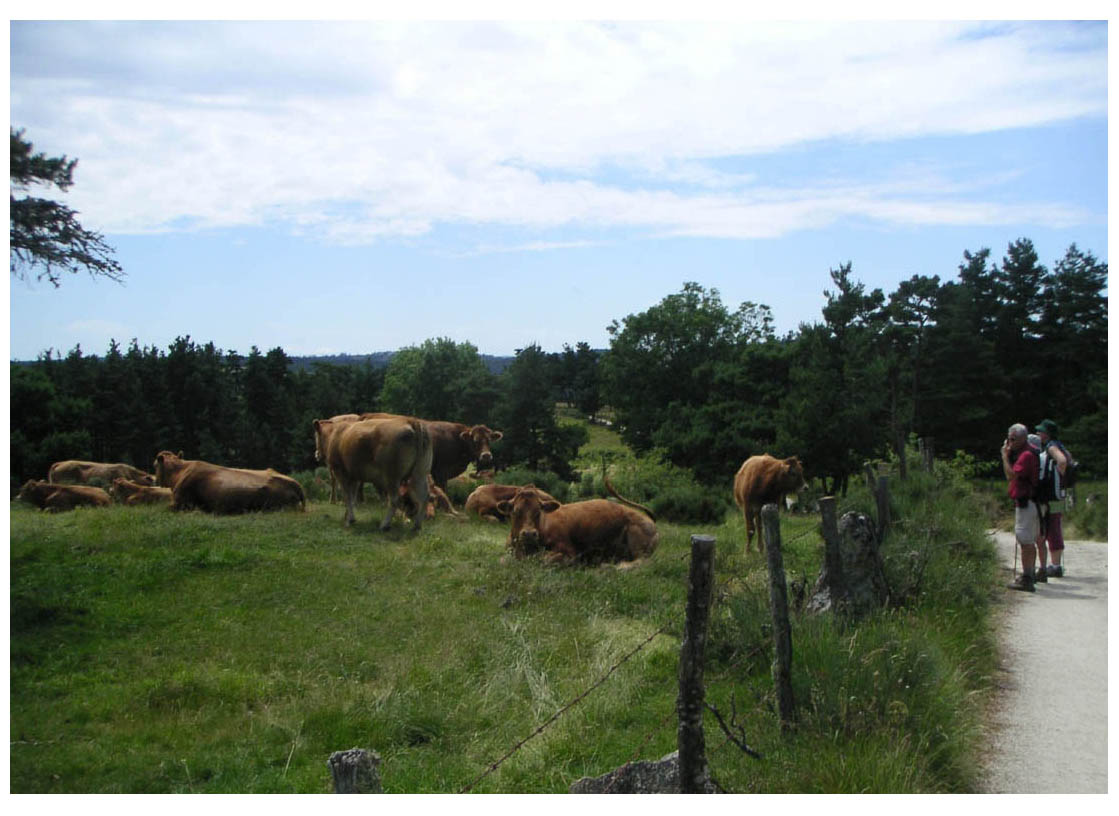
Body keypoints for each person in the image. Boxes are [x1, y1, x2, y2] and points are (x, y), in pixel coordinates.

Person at [1002, 423, 1040, 592]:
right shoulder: (1027, 452)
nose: (1010, 442)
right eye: (1009, 438)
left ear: (1023, 438)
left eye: (1013, 439)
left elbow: (1011, 475)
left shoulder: (1025, 455)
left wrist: (1004, 455)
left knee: (1024, 540)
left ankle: (1027, 578)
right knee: (1028, 540)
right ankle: (1029, 575)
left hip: (1025, 502)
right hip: (1029, 502)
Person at [1035, 419, 1069, 578]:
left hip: (1052, 495)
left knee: (1052, 527)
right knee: (1056, 525)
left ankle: (1055, 566)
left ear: (1047, 434)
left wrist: (1057, 477)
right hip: (1059, 494)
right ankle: (1057, 563)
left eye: (1040, 431)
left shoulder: (1051, 446)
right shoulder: (1060, 444)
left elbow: (1062, 461)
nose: (1038, 434)